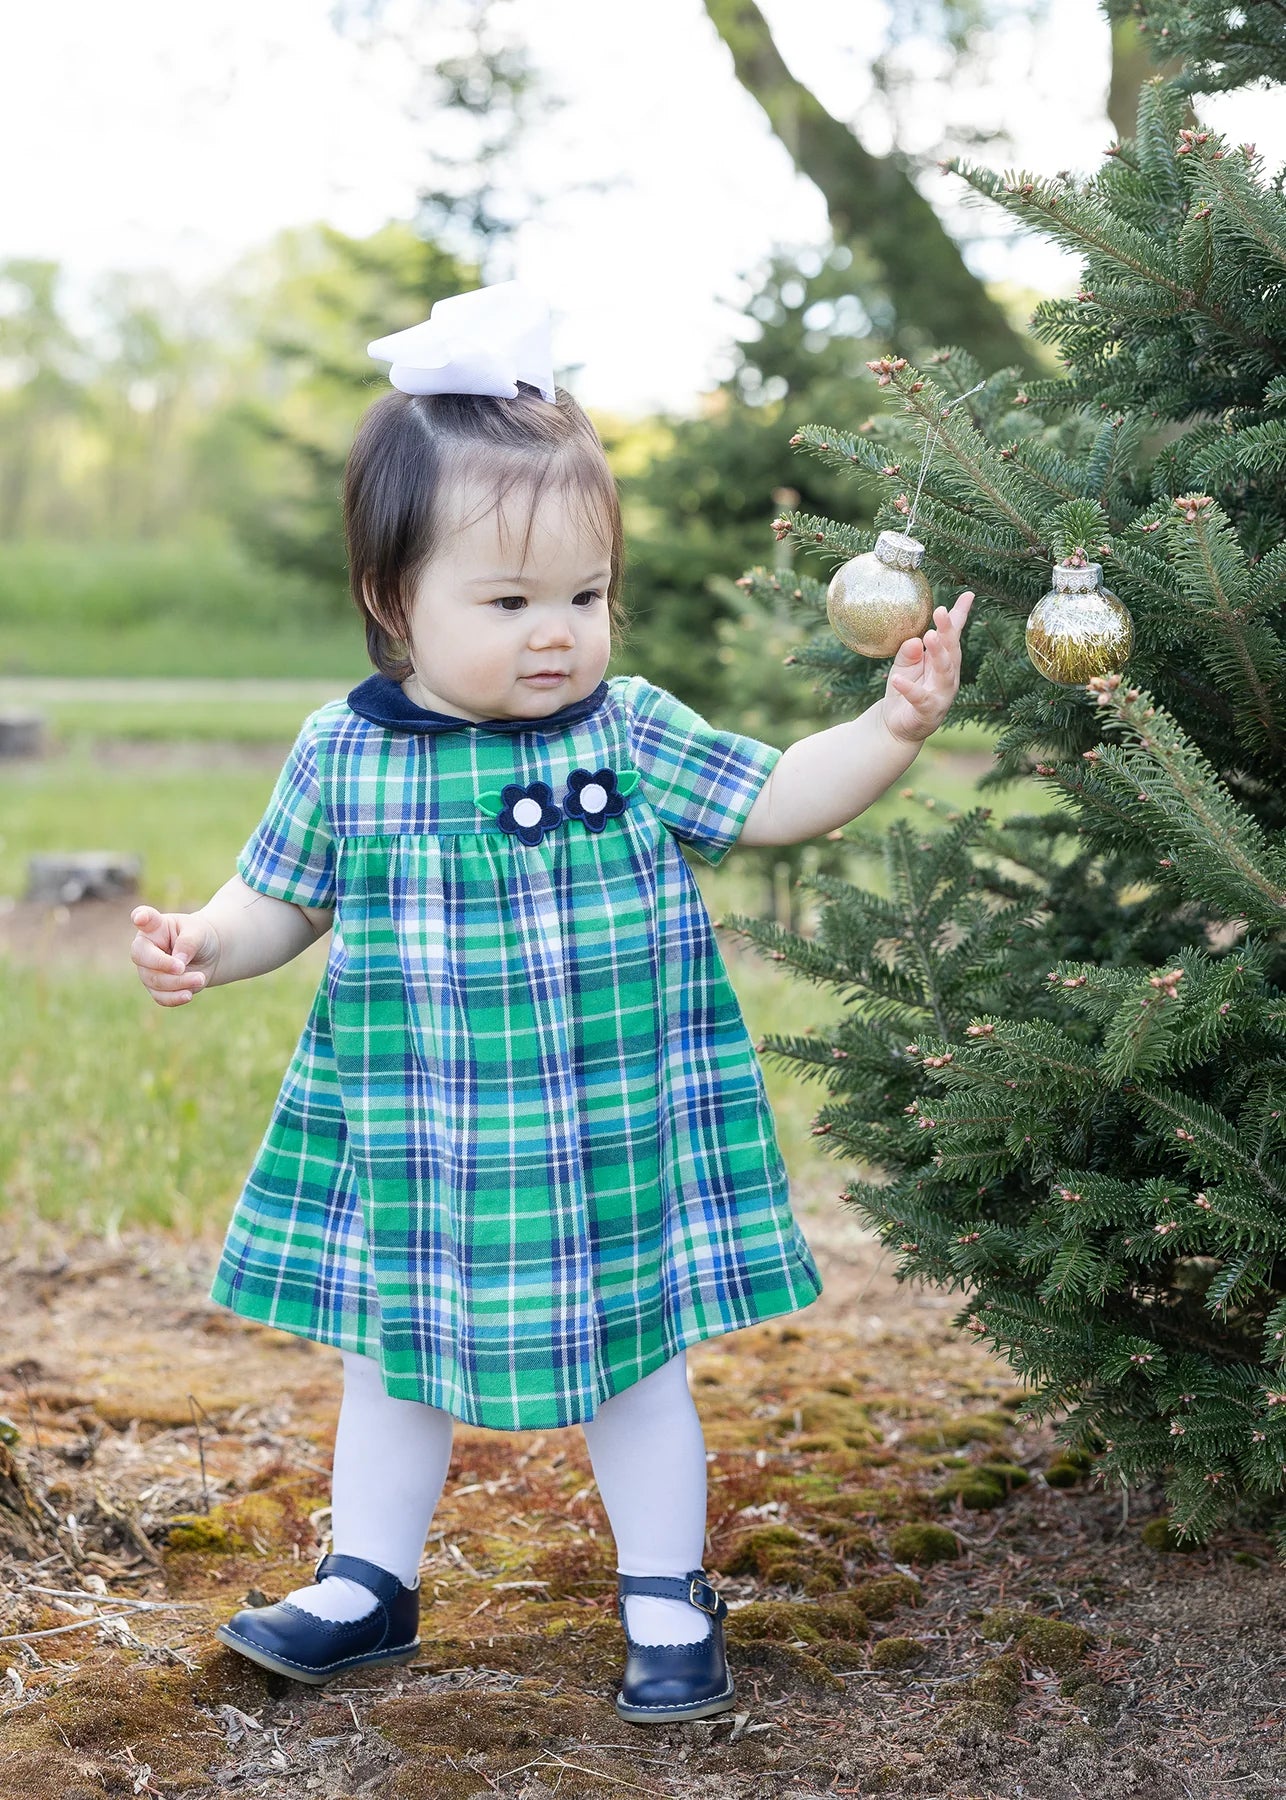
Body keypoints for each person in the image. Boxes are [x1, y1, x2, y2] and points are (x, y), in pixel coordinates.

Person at [128, 280, 974, 1722]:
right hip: (422, 1139)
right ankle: (367, 1582)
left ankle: (664, 1594)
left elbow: (773, 799)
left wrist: (887, 728)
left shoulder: (630, 731)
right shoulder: (349, 751)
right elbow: (282, 894)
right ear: (394, 602)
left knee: (635, 1367)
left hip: (606, 1132)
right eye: (509, 601)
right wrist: (205, 941)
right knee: (392, 1361)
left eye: (583, 597)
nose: (555, 634)